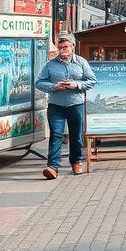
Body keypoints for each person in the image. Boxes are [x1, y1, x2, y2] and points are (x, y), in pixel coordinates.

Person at [35, 33, 98, 179]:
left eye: (65, 47)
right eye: (60, 47)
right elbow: (39, 82)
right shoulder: (50, 65)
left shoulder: (81, 63)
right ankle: (53, 166)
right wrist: (54, 87)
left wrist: (76, 85)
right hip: (56, 105)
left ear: (73, 47)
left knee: (76, 135)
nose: (62, 50)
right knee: (56, 135)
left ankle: (76, 162)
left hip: (76, 104)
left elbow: (92, 81)